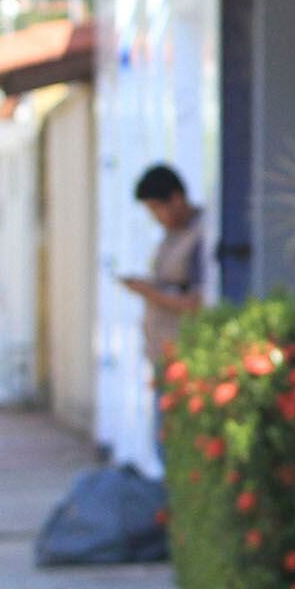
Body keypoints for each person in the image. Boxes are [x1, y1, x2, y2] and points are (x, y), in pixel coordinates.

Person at [122, 164, 205, 414]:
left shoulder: (202, 234)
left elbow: (195, 301)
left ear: (176, 199)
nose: (155, 217)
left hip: (186, 355)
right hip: (163, 354)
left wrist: (147, 291)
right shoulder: (172, 233)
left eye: (157, 208)